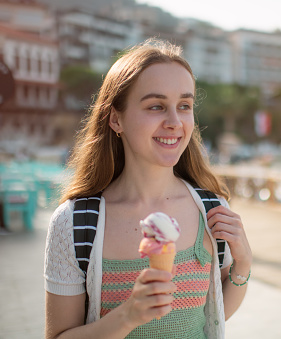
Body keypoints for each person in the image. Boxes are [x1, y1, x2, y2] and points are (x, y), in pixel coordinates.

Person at [44, 39, 252, 338]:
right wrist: (128, 316)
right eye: (156, 106)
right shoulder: (74, 224)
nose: (175, 122)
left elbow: (212, 316)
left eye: (184, 106)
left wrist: (243, 264)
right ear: (116, 119)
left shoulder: (212, 211)